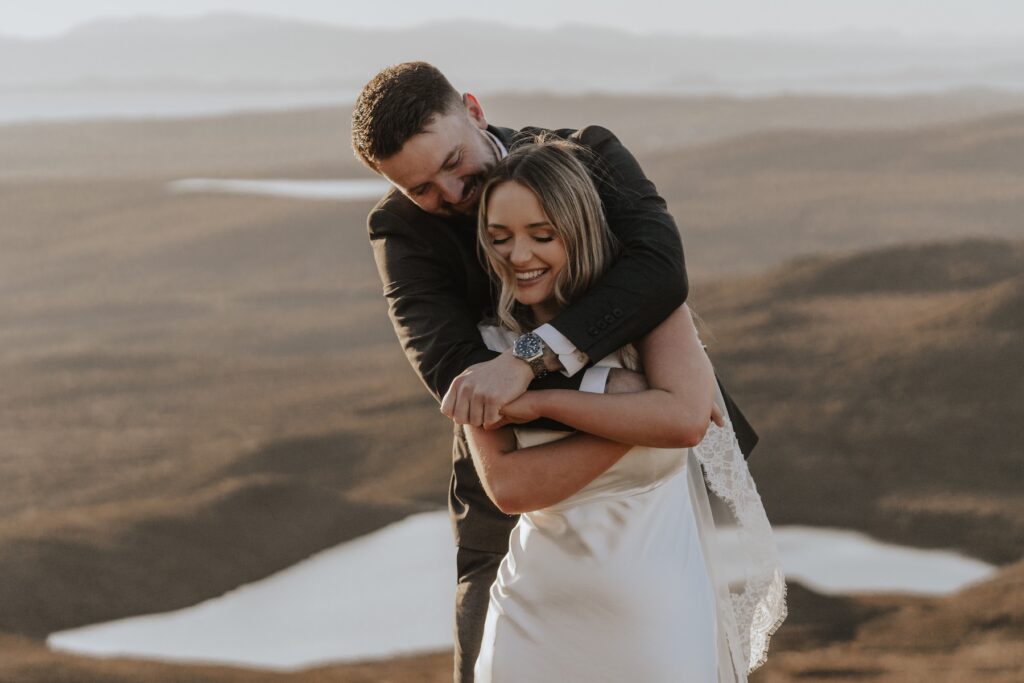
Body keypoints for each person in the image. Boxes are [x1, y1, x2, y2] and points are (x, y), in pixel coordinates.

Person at [350, 61, 760, 682]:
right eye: (422, 190)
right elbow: (457, 374)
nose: (453, 195)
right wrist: (634, 397)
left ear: (475, 109)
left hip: (662, 499)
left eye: (453, 162)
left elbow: (658, 271)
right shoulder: (400, 231)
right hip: (517, 493)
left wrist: (528, 361)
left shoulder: (589, 157)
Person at [465, 138, 786, 682]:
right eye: (500, 238)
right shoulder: (483, 342)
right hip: (532, 626)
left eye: (542, 236)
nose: (518, 256)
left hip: (657, 630)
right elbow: (511, 488)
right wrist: (635, 407)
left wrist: (541, 400)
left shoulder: (653, 315)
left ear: (581, 229)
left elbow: (685, 422)